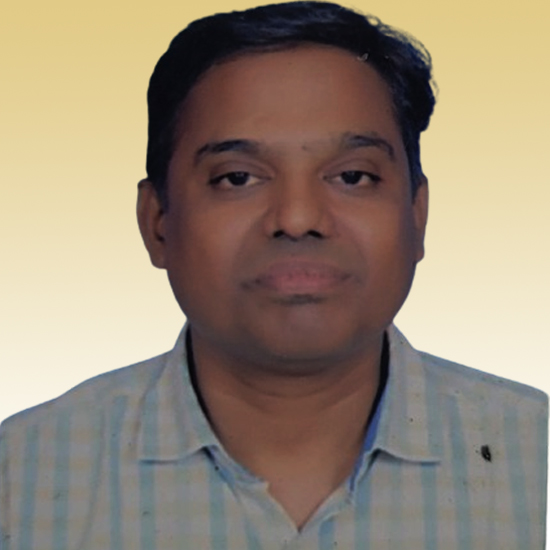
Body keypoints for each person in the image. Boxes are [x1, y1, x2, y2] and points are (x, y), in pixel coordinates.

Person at [0, 2, 547, 548]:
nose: (298, 218)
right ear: (157, 222)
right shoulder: (23, 473)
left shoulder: (532, 453)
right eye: (238, 178)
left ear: (417, 216)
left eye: (353, 176)